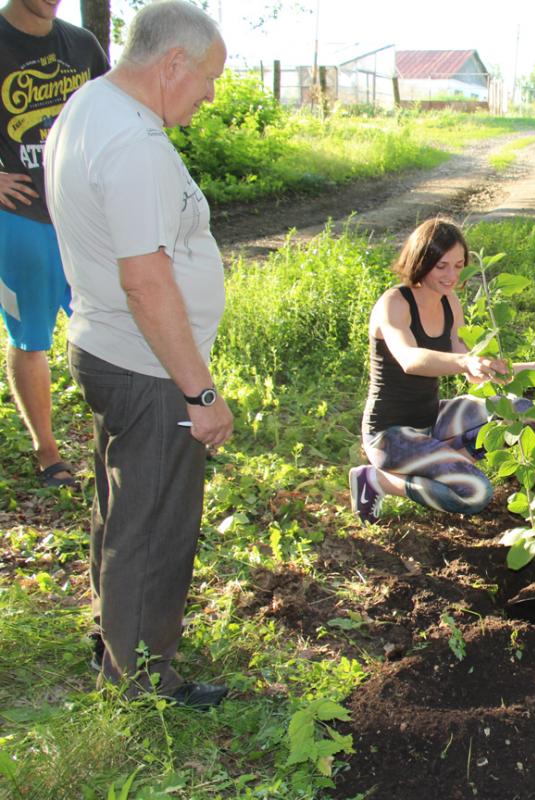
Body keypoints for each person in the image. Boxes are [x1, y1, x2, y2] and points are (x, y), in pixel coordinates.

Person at [44, 0, 230, 709]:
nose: (209, 95)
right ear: (172, 63)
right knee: (155, 522)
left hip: (105, 344)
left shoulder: (88, 105)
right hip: (147, 366)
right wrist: (201, 394)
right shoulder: (134, 143)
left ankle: (114, 632)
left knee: (122, 508)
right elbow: (147, 281)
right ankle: (143, 679)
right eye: (207, 78)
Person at [349, 218, 535, 524]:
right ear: (420, 260)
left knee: (522, 410)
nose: (451, 275)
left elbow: (471, 367)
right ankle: (376, 480)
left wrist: (534, 368)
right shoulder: (394, 303)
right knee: (475, 493)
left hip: (432, 418)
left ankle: (445, 459)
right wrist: (465, 362)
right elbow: (410, 359)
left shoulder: (450, 302)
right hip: (389, 435)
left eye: (458, 265)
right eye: (441, 266)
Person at [1, 0, 108, 488]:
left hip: (82, 214)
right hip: (19, 218)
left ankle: (125, 435)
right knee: (31, 337)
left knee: (112, 320)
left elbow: (112, 112)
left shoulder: (81, 45)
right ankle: (49, 455)